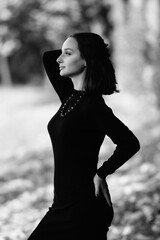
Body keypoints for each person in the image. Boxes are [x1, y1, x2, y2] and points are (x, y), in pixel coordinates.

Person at [27, 32, 140, 240]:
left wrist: (102, 173)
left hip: (82, 209)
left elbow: (129, 142)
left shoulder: (93, 106)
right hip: (63, 205)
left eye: (67, 54)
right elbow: (48, 57)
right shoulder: (70, 96)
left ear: (87, 60)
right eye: (62, 54)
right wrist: (70, 47)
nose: (59, 59)